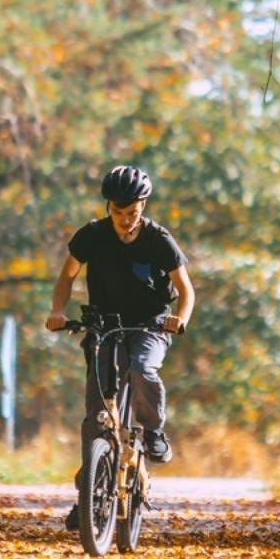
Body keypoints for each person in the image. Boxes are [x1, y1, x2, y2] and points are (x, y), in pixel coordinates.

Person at [45, 165, 195, 531]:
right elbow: (67, 276)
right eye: (118, 212)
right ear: (108, 206)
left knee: (142, 368)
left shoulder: (158, 240)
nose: (126, 220)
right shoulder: (92, 236)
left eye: (133, 212)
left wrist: (179, 318)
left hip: (150, 325)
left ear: (143, 206)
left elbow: (185, 290)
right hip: (104, 324)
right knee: (97, 414)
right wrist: (58, 311)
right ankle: (89, 495)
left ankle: (153, 431)